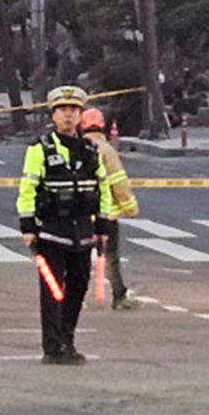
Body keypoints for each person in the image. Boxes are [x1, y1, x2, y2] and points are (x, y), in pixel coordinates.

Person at [17, 86, 113, 365]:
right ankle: (52, 347)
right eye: (62, 111)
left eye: (73, 111)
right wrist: (27, 227)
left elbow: (103, 189)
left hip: (82, 232)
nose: (68, 116)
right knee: (52, 290)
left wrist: (102, 227)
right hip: (51, 231)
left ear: (81, 116)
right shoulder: (40, 150)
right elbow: (28, 188)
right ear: (54, 116)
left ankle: (67, 338)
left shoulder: (91, 151)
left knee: (78, 287)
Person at [81, 107, 140, 310]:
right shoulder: (107, 151)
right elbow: (119, 182)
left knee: (77, 258)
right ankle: (119, 296)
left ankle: (73, 297)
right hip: (106, 216)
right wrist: (130, 208)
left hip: (79, 216)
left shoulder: (75, 148)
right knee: (111, 258)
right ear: (102, 125)